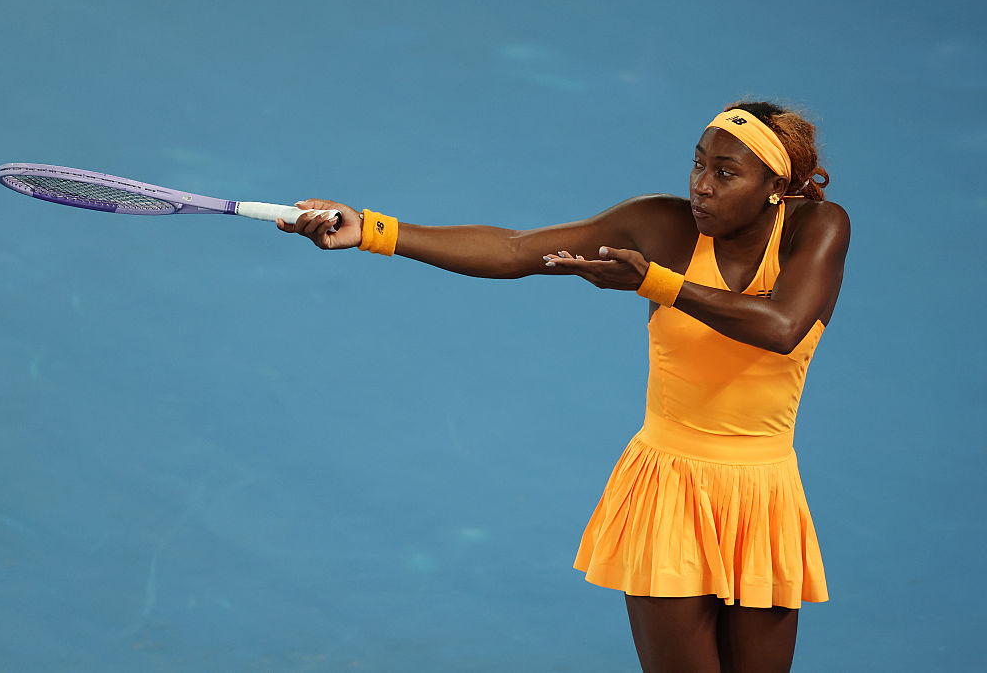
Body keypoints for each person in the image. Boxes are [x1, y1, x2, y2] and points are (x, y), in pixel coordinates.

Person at [277, 101, 849, 673]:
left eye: (725, 173)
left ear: (776, 185)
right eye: (697, 165)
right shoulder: (660, 224)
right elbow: (515, 249)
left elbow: (781, 328)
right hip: (669, 491)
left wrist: (656, 282)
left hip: (765, 497)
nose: (702, 186)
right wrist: (374, 230)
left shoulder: (819, 227)